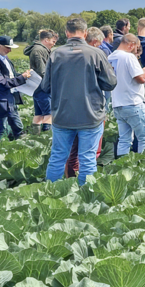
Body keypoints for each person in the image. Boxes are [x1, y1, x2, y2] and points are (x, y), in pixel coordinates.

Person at [40, 17, 117, 185]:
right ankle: (85, 197)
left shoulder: (56, 54)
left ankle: (50, 195)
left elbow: (45, 86)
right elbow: (111, 83)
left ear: (67, 33)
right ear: (86, 32)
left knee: (58, 157)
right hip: (90, 115)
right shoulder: (96, 53)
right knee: (87, 159)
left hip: (62, 115)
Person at [65, 27, 108, 180]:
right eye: (99, 43)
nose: (100, 46)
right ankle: (85, 182)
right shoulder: (95, 55)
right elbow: (109, 83)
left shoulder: (66, 54)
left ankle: (71, 178)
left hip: (69, 108)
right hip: (90, 108)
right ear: (94, 41)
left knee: (72, 148)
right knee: (90, 149)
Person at [110, 34, 145, 158]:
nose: (136, 51)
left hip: (117, 103)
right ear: (131, 45)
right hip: (133, 102)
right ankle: (143, 166)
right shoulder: (129, 57)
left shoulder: (111, 57)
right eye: (136, 47)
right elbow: (139, 79)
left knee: (124, 139)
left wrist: (141, 73)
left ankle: (121, 166)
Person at [0, 36, 33, 143]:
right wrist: (22, 78)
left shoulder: (4, 58)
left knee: (17, 127)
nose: (9, 50)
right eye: (7, 47)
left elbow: (11, 76)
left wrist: (24, 76)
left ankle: (20, 146)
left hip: (9, 99)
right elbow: (1, 83)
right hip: (0, 101)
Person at [23, 29, 57, 133]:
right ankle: (45, 136)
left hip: (36, 87)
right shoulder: (39, 50)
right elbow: (42, 71)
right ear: (46, 40)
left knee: (39, 114)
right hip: (42, 86)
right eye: (53, 41)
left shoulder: (37, 49)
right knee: (48, 114)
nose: (53, 44)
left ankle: (35, 136)